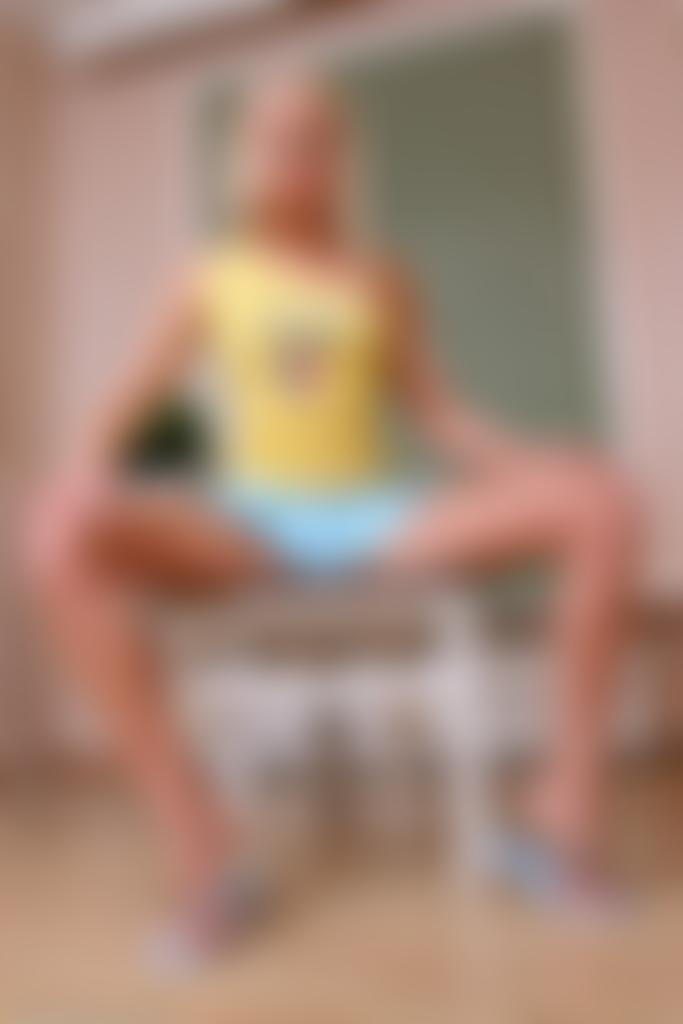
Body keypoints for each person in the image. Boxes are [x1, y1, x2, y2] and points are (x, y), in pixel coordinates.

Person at [26, 74, 637, 959]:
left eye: (313, 138)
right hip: (251, 520)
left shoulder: (382, 277)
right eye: (274, 137)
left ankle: (559, 823)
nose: (294, 154)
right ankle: (205, 849)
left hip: (374, 515)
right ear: (244, 159)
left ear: (341, 158)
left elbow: (437, 412)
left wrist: (530, 461)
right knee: (54, 533)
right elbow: (126, 404)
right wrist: (87, 470)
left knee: (602, 502)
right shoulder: (208, 274)